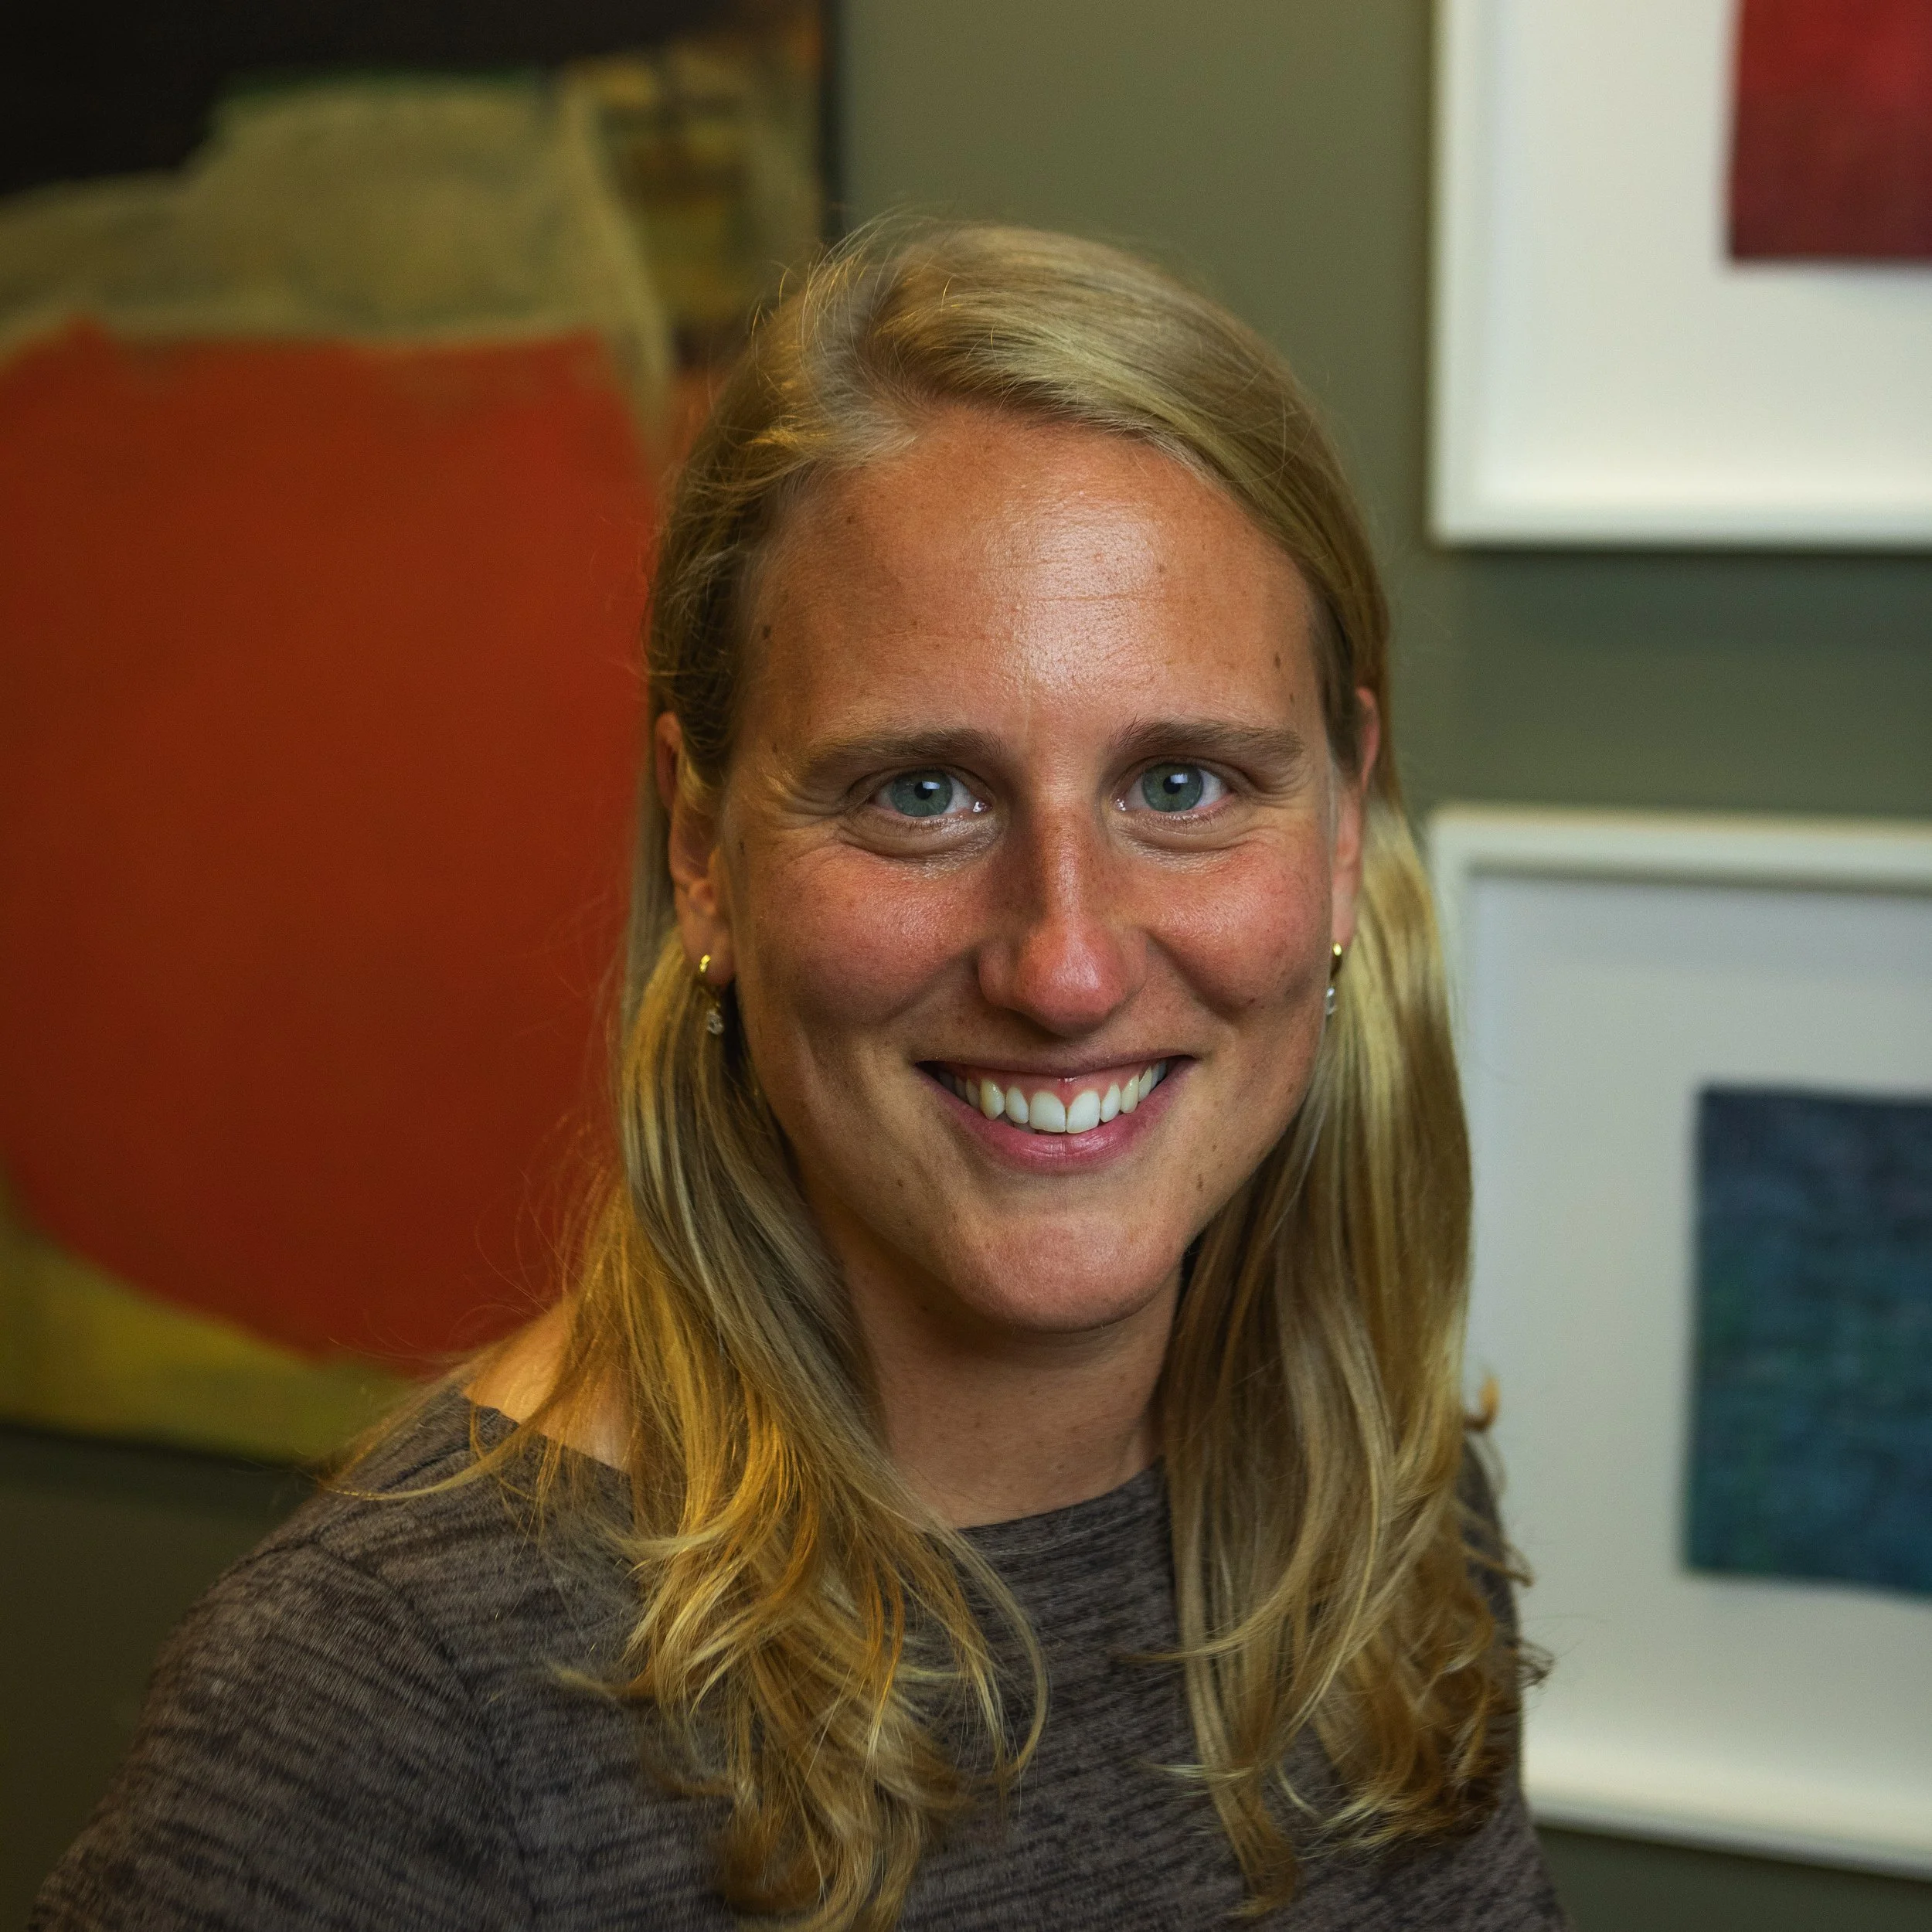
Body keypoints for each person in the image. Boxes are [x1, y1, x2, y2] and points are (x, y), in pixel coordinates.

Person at [34, 222, 1568, 1931]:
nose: (1062, 962)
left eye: (1186, 782)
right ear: (703, 848)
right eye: (921, 792)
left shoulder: (1372, 1483)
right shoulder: (401, 1703)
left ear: (1345, 815)